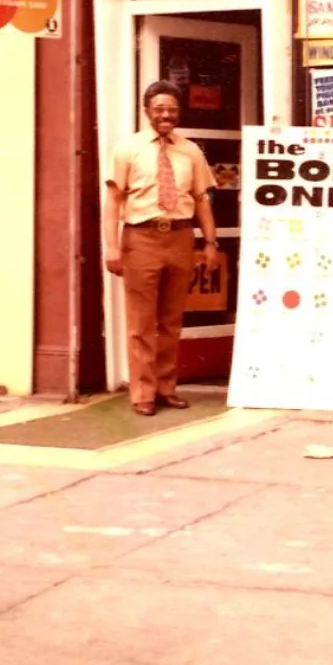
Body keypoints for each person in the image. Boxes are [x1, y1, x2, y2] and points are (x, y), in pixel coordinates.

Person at [105, 82, 222, 416]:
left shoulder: (190, 151)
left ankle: (166, 387)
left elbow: (202, 199)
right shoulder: (128, 148)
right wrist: (112, 246)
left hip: (180, 238)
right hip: (140, 238)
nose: (166, 115)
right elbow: (113, 200)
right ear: (147, 112)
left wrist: (210, 243)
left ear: (178, 112)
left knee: (171, 320)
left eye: (171, 109)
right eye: (159, 109)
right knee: (141, 322)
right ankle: (142, 393)